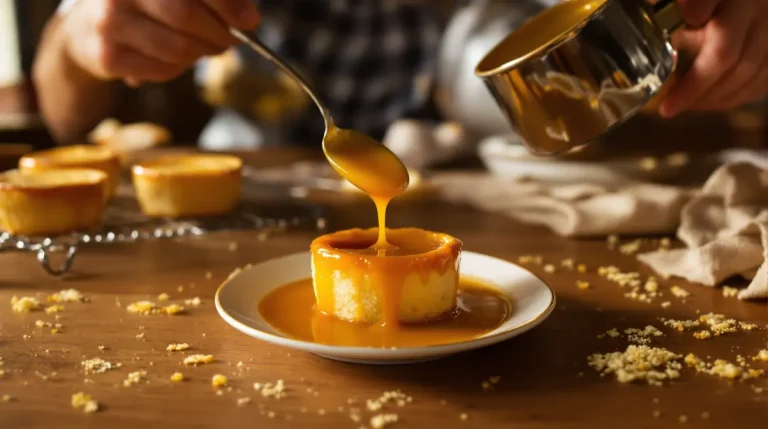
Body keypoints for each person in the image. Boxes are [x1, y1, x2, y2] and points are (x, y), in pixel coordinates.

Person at [32, 0, 768, 146]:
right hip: (261, 172)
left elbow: (626, 66)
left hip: (499, 179)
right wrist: (75, 34)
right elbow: (61, 115)